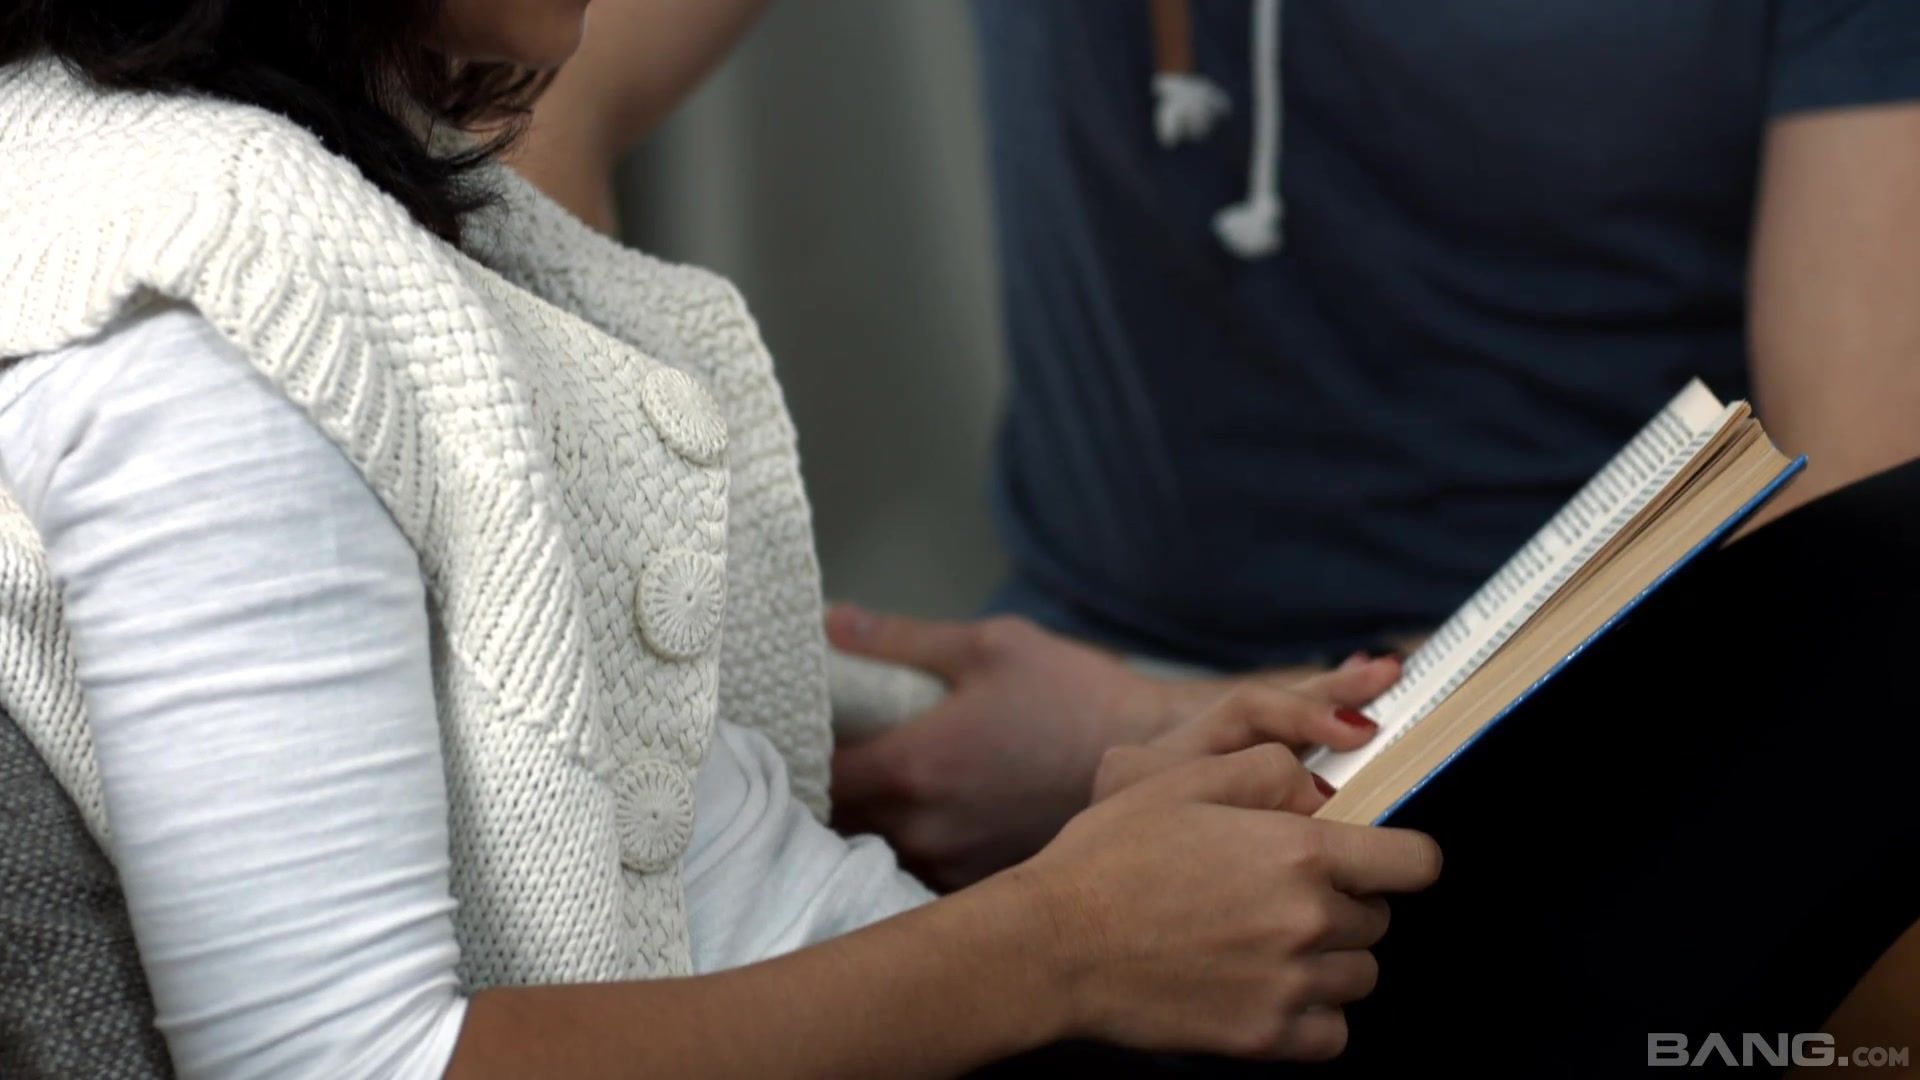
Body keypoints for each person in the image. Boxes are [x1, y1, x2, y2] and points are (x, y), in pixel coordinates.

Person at [0, 2, 1443, 1076]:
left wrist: (1106, 811)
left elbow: (549, 704)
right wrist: (1069, 939)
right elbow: (347, 1065)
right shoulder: (211, 332)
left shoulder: (252, 188)